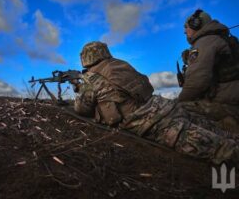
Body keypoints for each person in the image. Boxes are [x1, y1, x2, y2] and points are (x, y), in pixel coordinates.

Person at [73, 41, 239, 166]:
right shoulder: (120, 64)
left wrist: (78, 88)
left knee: (220, 149)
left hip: (151, 122)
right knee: (219, 132)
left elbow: (82, 108)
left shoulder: (90, 78)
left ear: (85, 59)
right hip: (163, 106)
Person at [178, 9, 239, 131]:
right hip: (232, 100)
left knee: (176, 109)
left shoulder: (205, 42)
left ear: (196, 24)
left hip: (225, 104)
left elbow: (197, 81)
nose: (185, 31)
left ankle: (226, 126)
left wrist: (178, 102)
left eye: (186, 27)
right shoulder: (217, 39)